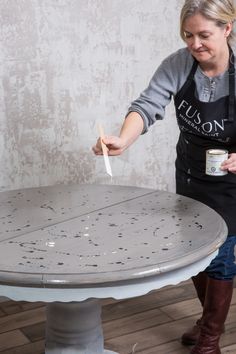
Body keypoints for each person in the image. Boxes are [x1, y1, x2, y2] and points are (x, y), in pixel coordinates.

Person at [92, 1, 236, 353]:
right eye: (188, 35)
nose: (195, 44)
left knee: (223, 254)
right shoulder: (179, 64)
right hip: (190, 174)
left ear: (227, 29)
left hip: (231, 180)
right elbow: (147, 105)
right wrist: (122, 140)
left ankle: (210, 339)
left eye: (204, 35)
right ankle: (207, 320)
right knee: (196, 250)